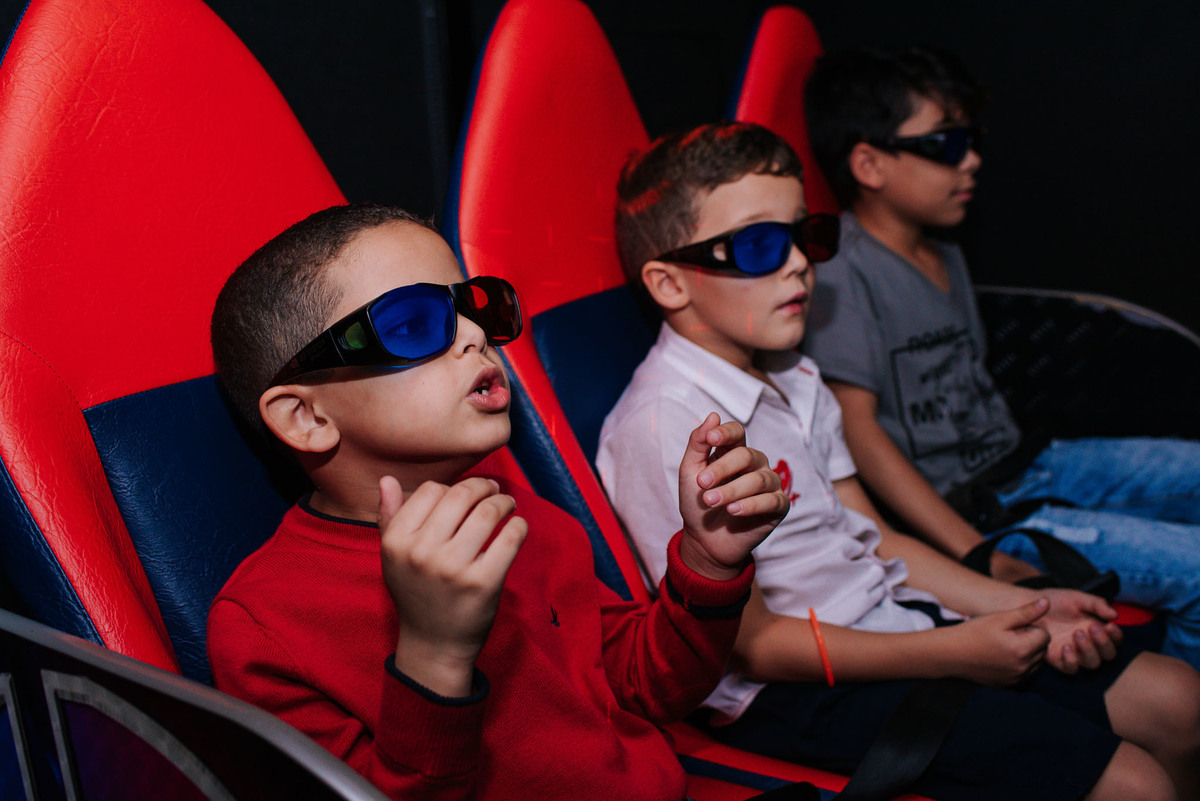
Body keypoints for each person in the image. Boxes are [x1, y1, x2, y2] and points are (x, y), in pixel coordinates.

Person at [597, 121, 1200, 801]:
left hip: (892, 617)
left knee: (1180, 699)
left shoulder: (796, 375)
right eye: (760, 244)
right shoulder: (664, 425)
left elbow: (876, 536)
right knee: (1136, 784)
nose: (799, 264)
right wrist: (955, 652)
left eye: (806, 235)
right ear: (669, 282)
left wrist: (1027, 605)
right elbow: (754, 647)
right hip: (794, 689)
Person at [206, 203, 790, 801]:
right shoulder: (264, 629)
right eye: (411, 324)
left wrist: (708, 563)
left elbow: (643, 688)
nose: (476, 334)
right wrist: (433, 656)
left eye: (474, 308)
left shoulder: (513, 510)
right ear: (305, 417)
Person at [800, 44, 1200, 672]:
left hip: (1028, 465)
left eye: (972, 139)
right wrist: (975, 553)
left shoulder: (944, 249)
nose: (972, 160)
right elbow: (857, 429)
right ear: (869, 164)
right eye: (946, 144)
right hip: (972, 513)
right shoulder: (842, 276)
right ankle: (1172, 711)